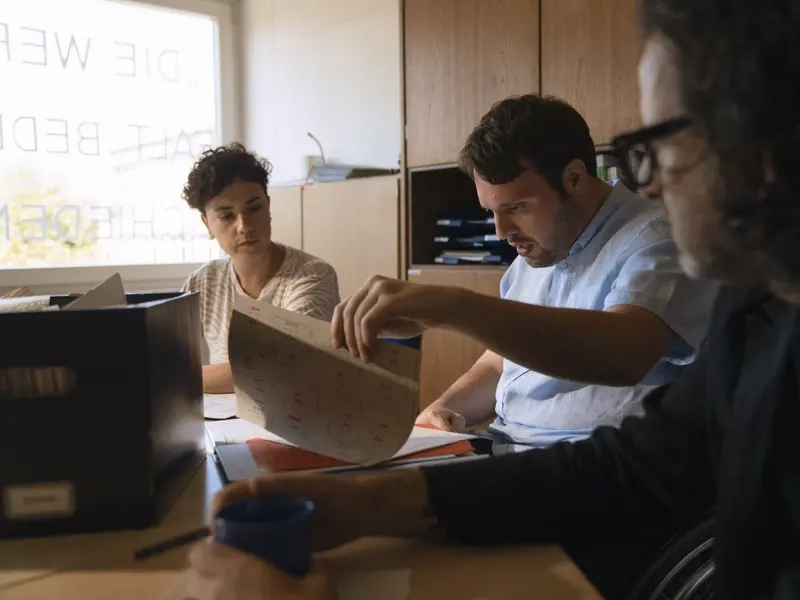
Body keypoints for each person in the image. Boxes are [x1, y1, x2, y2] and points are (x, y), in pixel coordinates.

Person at [181, 1, 800, 599]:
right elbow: (631, 462)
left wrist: (454, 305)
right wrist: (379, 488)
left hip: (585, 506)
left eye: (659, 143)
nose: (651, 179)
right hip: (525, 463)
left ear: (763, 140)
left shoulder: (659, 247)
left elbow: (624, 355)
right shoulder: (757, 316)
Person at [411, 94, 715, 446]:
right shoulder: (537, 248)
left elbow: (623, 352)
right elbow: (501, 363)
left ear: (573, 178)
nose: (500, 231)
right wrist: (443, 409)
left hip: (590, 467)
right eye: (491, 211)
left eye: (517, 207)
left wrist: (452, 307)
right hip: (504, 447)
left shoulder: (660, 240)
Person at [181, 143, 340, 394]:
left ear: (268, 206)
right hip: (223, 422)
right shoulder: (202, 282)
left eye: (254, 208)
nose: (244, 226)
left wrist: (179, 377)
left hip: (298, 419)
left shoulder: (312, 276)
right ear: (207, 224)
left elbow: (282, 366)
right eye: (226, 216)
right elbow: (166, 358)